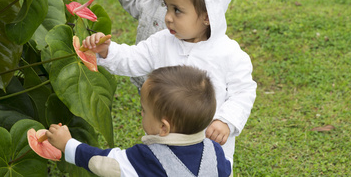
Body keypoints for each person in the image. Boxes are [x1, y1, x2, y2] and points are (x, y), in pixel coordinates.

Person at [83, 0, 257, 167]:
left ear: (207, 16)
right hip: (163, 138)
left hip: (209, 146)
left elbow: (243, 92)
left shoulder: (230, 55)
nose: (167, 18)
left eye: (177, 11)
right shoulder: (162, 41)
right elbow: (134, 58)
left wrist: (226, 121)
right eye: (167, 6)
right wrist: (107, 51)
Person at [45, 65, 232, 177]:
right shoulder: (214, 151)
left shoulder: (148, 157)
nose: (141, 113)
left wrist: (67, 144)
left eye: (144, 110)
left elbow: (103, 162)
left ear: (163, 127)